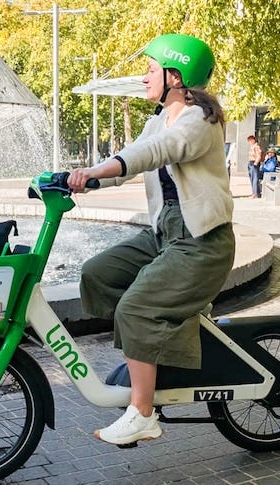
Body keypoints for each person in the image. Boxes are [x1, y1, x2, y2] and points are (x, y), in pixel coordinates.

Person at [67, 33, 235, 446]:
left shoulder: (199, 120)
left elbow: (159, 152)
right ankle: (150, 353)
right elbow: (129, 161)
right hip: (165, 234)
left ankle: (142, 412)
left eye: (150, 69)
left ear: (175, 76)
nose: (143, 77)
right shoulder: (156, 120)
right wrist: (80, 179)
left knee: (136, 308)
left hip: (202, 242)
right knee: (98, 274)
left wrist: (96, 172)